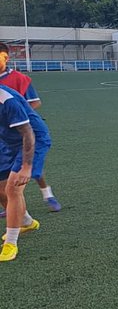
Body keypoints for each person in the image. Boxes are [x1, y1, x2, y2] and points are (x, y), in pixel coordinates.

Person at [0, 44, 59, 212]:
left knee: (32, 169)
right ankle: (17, 210)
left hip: (25, 130)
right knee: (6, 172)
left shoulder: (19, 78)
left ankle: (47, 194)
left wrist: (18, 114)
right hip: (5, 134)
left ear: (6, 57)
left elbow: (35, 101)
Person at [0, 83, 50, 262]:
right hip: (7, 141)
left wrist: (26, 167)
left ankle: (10, 244)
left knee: (13, 189)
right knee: (1, 189)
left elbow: (28, 134)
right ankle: (27, 222)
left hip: (32, 140)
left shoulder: (7, 100)